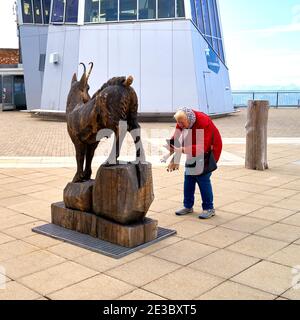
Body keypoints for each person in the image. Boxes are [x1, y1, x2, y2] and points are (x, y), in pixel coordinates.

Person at [166, 107, 222, 219]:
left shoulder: (203, 122)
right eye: (178, 123)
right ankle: (188, 206)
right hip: (192, 148)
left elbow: (202, 147)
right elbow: (176, 137)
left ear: (189, 120)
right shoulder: (182, 119)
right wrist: (172, 147)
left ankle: (209, 208)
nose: (179, 125)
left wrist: (181, 149)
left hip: (209, 151)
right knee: (189, 178)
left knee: (202, 179)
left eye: (181, 123)